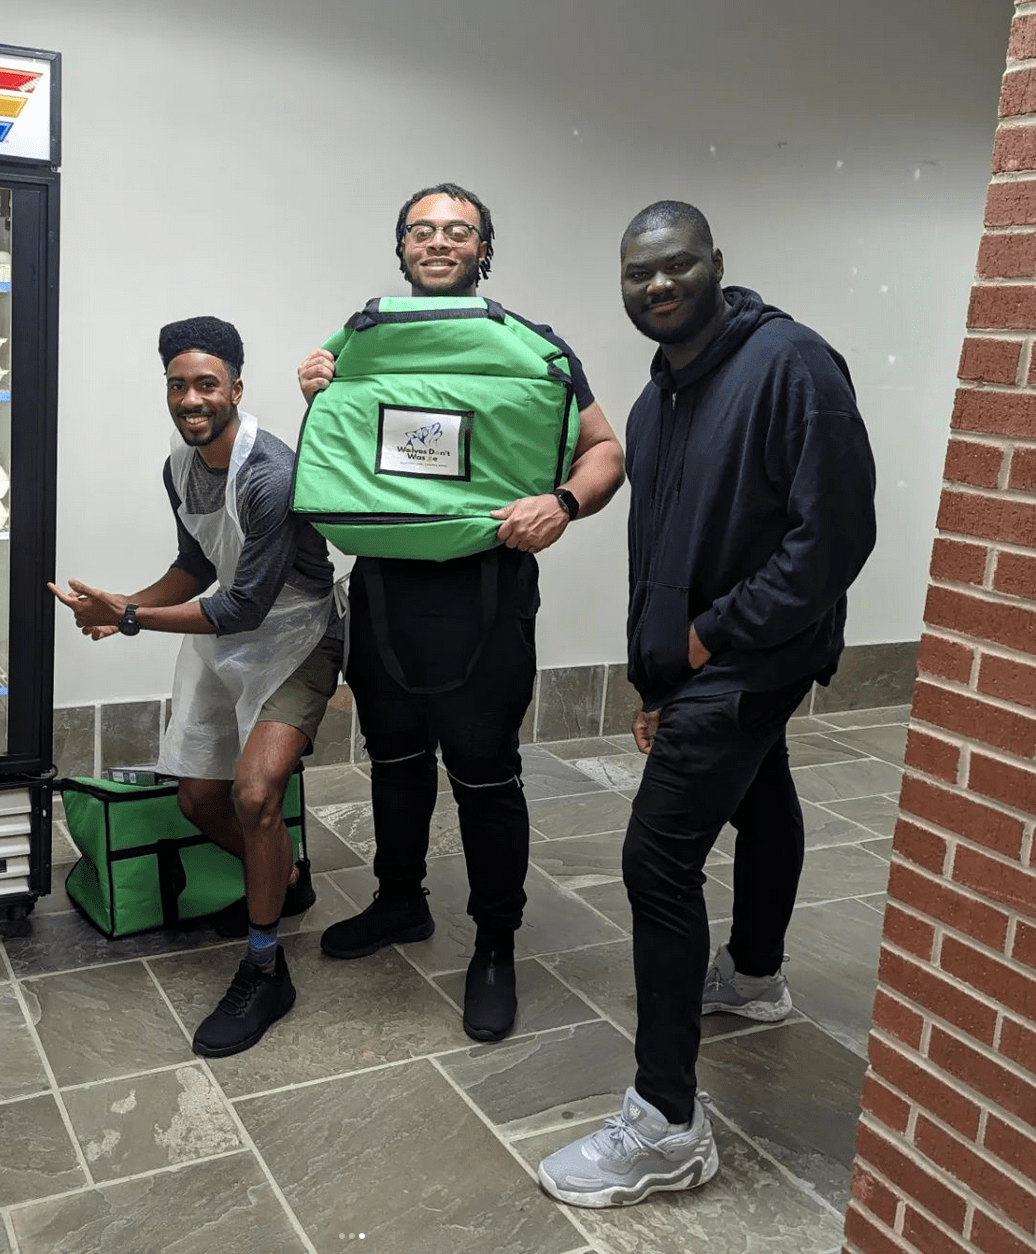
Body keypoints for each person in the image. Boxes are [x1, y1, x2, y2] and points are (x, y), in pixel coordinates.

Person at [538, 201, 877, 1207]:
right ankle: (759, 978)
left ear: (716, 265)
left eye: (677, 265)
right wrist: (655, 678)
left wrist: (711, 639)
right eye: (638, 272)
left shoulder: (793, 366)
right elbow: (662, 557)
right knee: (761, 795)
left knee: (655, 859)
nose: (657, 285)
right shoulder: (658, 399)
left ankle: (667, 1124)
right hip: (703, 664)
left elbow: (833, 540)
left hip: (753, 655)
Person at [297, 183, 625, 1042]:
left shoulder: (535, 348)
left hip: (484, 592)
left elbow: (605, 448)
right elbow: (352, 457)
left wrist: (563, 501)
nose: (437, 241)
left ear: (484, 251)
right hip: (384, 590)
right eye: (421, 230)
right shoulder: (358, 344)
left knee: (484, 772)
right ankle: (400, 901)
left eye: (458, 231)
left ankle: (496, 945)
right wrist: (319, 395)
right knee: (396, 761)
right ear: (400, 249)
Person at [50, 316, 341, 1058]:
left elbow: (244, 603)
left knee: (254, 795)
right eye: (178, 385)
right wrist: (122, 608)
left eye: (206, 384)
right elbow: (196, 562)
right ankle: (287, 878)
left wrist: (136, 617)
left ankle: (265, 967)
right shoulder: (179, 465)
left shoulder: (271, 473)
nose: (191, 398)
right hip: (225, 636)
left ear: (236, 389)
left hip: (296, 635)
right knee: (198, 799)